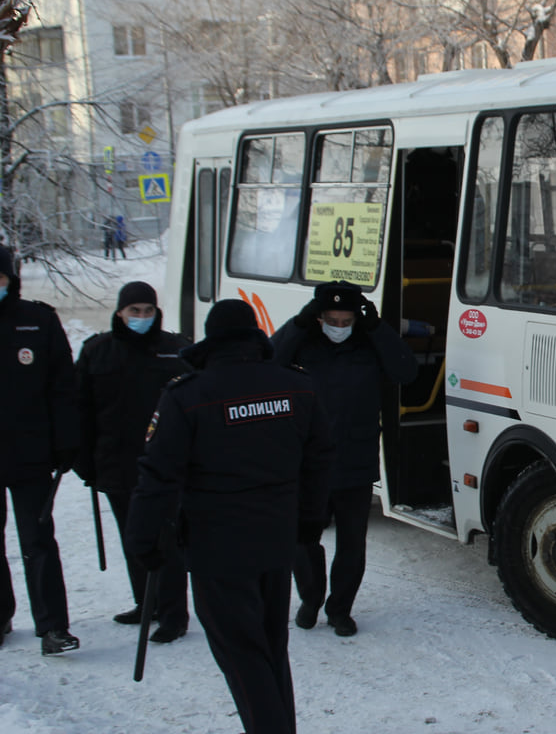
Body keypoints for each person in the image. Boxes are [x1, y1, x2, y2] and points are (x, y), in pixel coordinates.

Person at [126, 299, 331, 734]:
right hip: (276, 541)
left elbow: (157, 476)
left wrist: (142, 541)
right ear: (254, 335)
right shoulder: (296, 386)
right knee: (271, 648)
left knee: (241, 655)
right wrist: (308, 525)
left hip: (217, 547)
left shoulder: (187, 395)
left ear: (211, 339)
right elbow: (318, 462)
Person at [272, 281, 416, 637]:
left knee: (352, 544)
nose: (339, 326)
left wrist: (377, 328)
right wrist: (299, 323)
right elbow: (269, 360)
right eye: (331, 319)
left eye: (346, 319)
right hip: (308, 464)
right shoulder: (303, 342)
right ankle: (311, 597)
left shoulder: (369, 343)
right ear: (319, 317)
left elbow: (406, 371)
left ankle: (340, 609)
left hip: (355, 458)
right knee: (302, 539)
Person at [74, 281, 191, 642]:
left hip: (166, 464)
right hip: (116, 463)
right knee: (132, 537)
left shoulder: (176, 349)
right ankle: (146, 603)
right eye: (134, 311)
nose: (141, 317)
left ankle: (174, 614)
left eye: (148, 311)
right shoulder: (97, 352)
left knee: (166, 540)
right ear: (120, 313)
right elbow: (80, 412)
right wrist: (84, 463)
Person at [0, 244, 81, 655]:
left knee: (39, 541)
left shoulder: (37, 320)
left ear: (10, 280)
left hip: (29, 454)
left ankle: (53, 627)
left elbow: (63, 387)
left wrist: (67, 442)